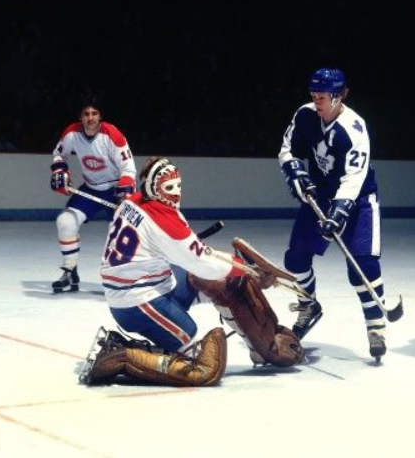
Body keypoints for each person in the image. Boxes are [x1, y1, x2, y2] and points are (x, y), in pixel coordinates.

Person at [80, 157, 302, 387]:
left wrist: (242, 271)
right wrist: (247, 271)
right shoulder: (162, 220)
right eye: (168, 188)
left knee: (226, 284)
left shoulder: (134, 201)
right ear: (152, 188)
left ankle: (260, 348)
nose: (175, 193)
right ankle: (124, 355)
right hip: (136, 303)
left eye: (178, 186)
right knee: (203, 366)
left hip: (152, 284)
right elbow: (203, 261)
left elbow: (198, 255)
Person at [278, 67, 390, 361]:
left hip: (359, 198)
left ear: (339, 96)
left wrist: (340, 212)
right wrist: (295, 173)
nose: (317, 100)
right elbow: (287, 150)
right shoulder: (305, 115)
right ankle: (308, 305)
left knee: (363, 265)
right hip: (321, 194)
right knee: (296, 258)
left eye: (323, 96)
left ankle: (375, 324)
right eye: (314, 94)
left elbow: (354, 177)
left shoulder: (354, 128)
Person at [50, 98, 136, 293]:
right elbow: (58, 153)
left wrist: (124, 193)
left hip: (115, 190)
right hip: (89, 188)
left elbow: (129, 168)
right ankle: (70, 271)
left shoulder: (112, 135)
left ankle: (121, 278)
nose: (90, 118)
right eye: (86, 114)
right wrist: (59, 171)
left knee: (120, 233)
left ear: (100, 116)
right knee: (65, 222)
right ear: (80, 117)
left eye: (94, 114)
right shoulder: (72, 133)